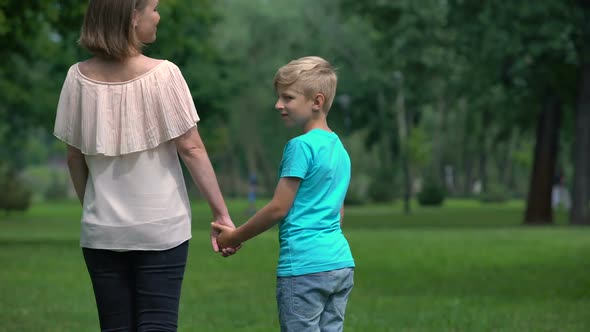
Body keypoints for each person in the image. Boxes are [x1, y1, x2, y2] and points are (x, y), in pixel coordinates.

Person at [53, 0, 237, 330]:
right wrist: (221, 215)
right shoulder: (165, 74)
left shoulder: (75, 78)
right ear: (133, 17)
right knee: (158, 324)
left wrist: (93, 209)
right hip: (161, 228)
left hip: (102, 232)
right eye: (153, 8)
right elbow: (191, 148)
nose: (158, 16)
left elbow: (74, 157)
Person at [212, 56, 355, 332]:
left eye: (287, 98)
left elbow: (279, 208)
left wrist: (234, 236)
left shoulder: (300, 146)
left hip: (304, 267)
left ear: (317, 101)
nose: (278, 105)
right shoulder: (339, 148)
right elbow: (338, 210)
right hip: (340, 263)